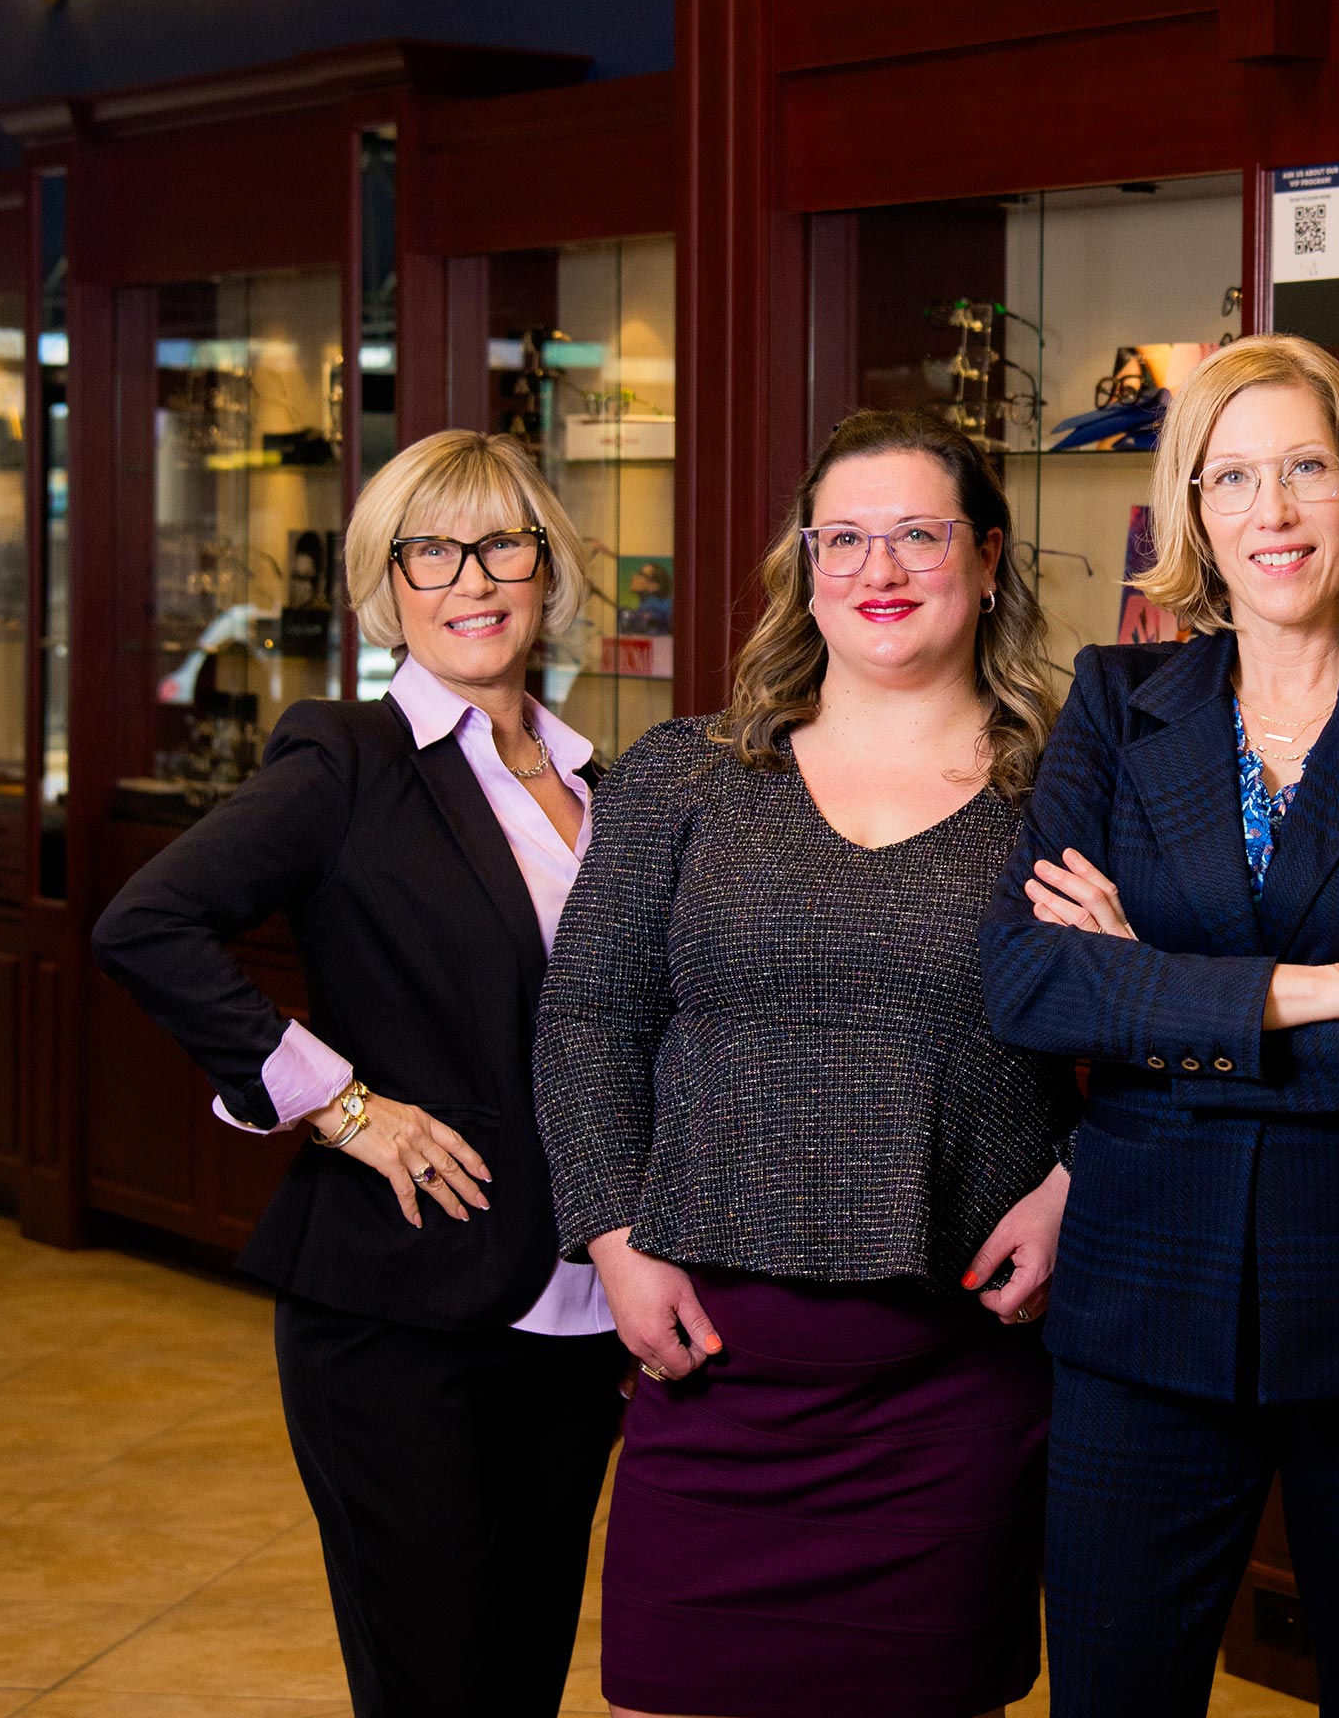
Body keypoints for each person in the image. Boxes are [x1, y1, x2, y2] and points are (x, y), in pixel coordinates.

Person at [979, 333, 1339, 1717]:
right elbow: (1030, 982)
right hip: (1143, 1302)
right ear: (1190, 510)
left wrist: (1158, 1006)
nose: (1271, 511)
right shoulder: (1115, 704)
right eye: (1231, 477)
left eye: (1306, 467)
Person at [535, 408, 1077, 1718]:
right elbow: (589, 1018)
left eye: (918, 535)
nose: (879, 569)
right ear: (804, 563)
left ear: (990, 558)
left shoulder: (1066, 787)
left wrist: (1079, 1183)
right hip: (712, 1370)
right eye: (844, 537)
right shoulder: (686, 775)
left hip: (952, 1389)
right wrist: (611, 1232)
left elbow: (1147, 1036)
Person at [92, 429, 621, 1714]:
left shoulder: (616, 780)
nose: (470, 578)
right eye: (426, 552)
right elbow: (144, 925)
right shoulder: (347, 758)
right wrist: (340, 1104)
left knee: (524, 1676)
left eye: (503, 542)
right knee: (432, 1684)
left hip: (581, 1309)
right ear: (387, 586)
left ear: (547, 568)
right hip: (398, 1307)